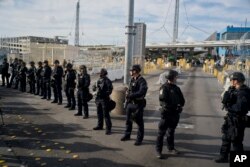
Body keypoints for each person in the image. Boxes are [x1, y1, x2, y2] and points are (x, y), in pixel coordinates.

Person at [215, 72, 250, 163]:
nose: (231, 81)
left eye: (232, 80)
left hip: (237, 121)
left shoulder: (243, 93)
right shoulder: (234, 90)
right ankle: (224, 157)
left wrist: (228, 106)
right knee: (226, 139)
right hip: (230, 120)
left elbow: (240, 108)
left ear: (237, 81)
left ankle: (240, 161)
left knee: (236, 142)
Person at [155, 70, 185, 159]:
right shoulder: (164, 88)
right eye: (175, 77)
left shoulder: (176, 88)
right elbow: (163, 101)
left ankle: (171, 148)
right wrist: (172, 107)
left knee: (171, 132)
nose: (177, 78)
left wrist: (179, 106)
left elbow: (182, 100)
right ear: (171, 77)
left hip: (175, 115)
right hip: (167, 114)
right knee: (161, 133)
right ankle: (158, 151)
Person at [121, 65, 148, 145]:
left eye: (131, 70)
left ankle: (139, 139)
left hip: (138, 104)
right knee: (128, 121)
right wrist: (127, 93)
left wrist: (131, 95)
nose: (130, 72)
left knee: (139, 123)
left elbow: (141, 92)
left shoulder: (142, 81)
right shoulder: (132, 80)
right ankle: (127, 135)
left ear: (135, 71)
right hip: (130, 104)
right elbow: (130, 90)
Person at [92, 68, 113, 135]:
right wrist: (94, 88)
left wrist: (104, 94)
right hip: (98, 98)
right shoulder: (98, 80)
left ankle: (108, 128)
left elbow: (110, 90)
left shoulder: (107, 81)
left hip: (104, 99)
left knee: (106, 114)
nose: (100, 74)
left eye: (101, 73)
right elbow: (94, 88)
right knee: (99, 113)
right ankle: (100, 125)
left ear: (104, 73)